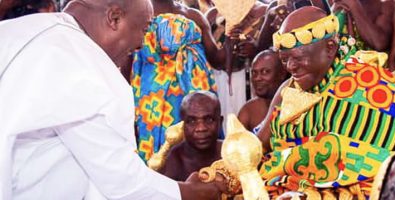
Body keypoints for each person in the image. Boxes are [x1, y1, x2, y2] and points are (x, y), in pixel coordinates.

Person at [0, 0, 225, 199]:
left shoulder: (15, 30)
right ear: (114, 18)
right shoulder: (87, 67)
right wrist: (194, 192)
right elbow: (123, 183)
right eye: (145, 29)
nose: (141, 44)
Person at [257, 6, 395, 199]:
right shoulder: (288, 88)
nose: (291, 67)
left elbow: (372, 163)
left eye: (298, 58)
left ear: (330, 48)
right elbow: (257, 145)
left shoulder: (371, 84)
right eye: (284, 60)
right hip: (284, 184)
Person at [133, 0, 231, 162]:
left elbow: (217, 60)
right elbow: (128, 59)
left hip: (196, 102)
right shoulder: (137, 12)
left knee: (199, 152)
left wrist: (230, 36)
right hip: (153, 105)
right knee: (161, 157)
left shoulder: (194, 16)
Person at [205, 1, 268, 134]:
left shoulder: (265, 12)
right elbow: (208, 55)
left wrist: (255, 49)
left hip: (252, 81)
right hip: (219, 82)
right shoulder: (212, 15)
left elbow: (272, 53)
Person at [161, 91, 223, 181]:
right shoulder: (175, 159)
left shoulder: (231, 153)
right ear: (182, 125)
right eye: (192, 121)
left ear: (220, 122)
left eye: (209, 120)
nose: (201, 128)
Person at [238, 50, 287, 133]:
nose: (257, 78)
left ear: (281, 74)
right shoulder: (248, 110)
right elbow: (235, 144)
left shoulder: (295, 104)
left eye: (265, 72)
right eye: (254, 73)